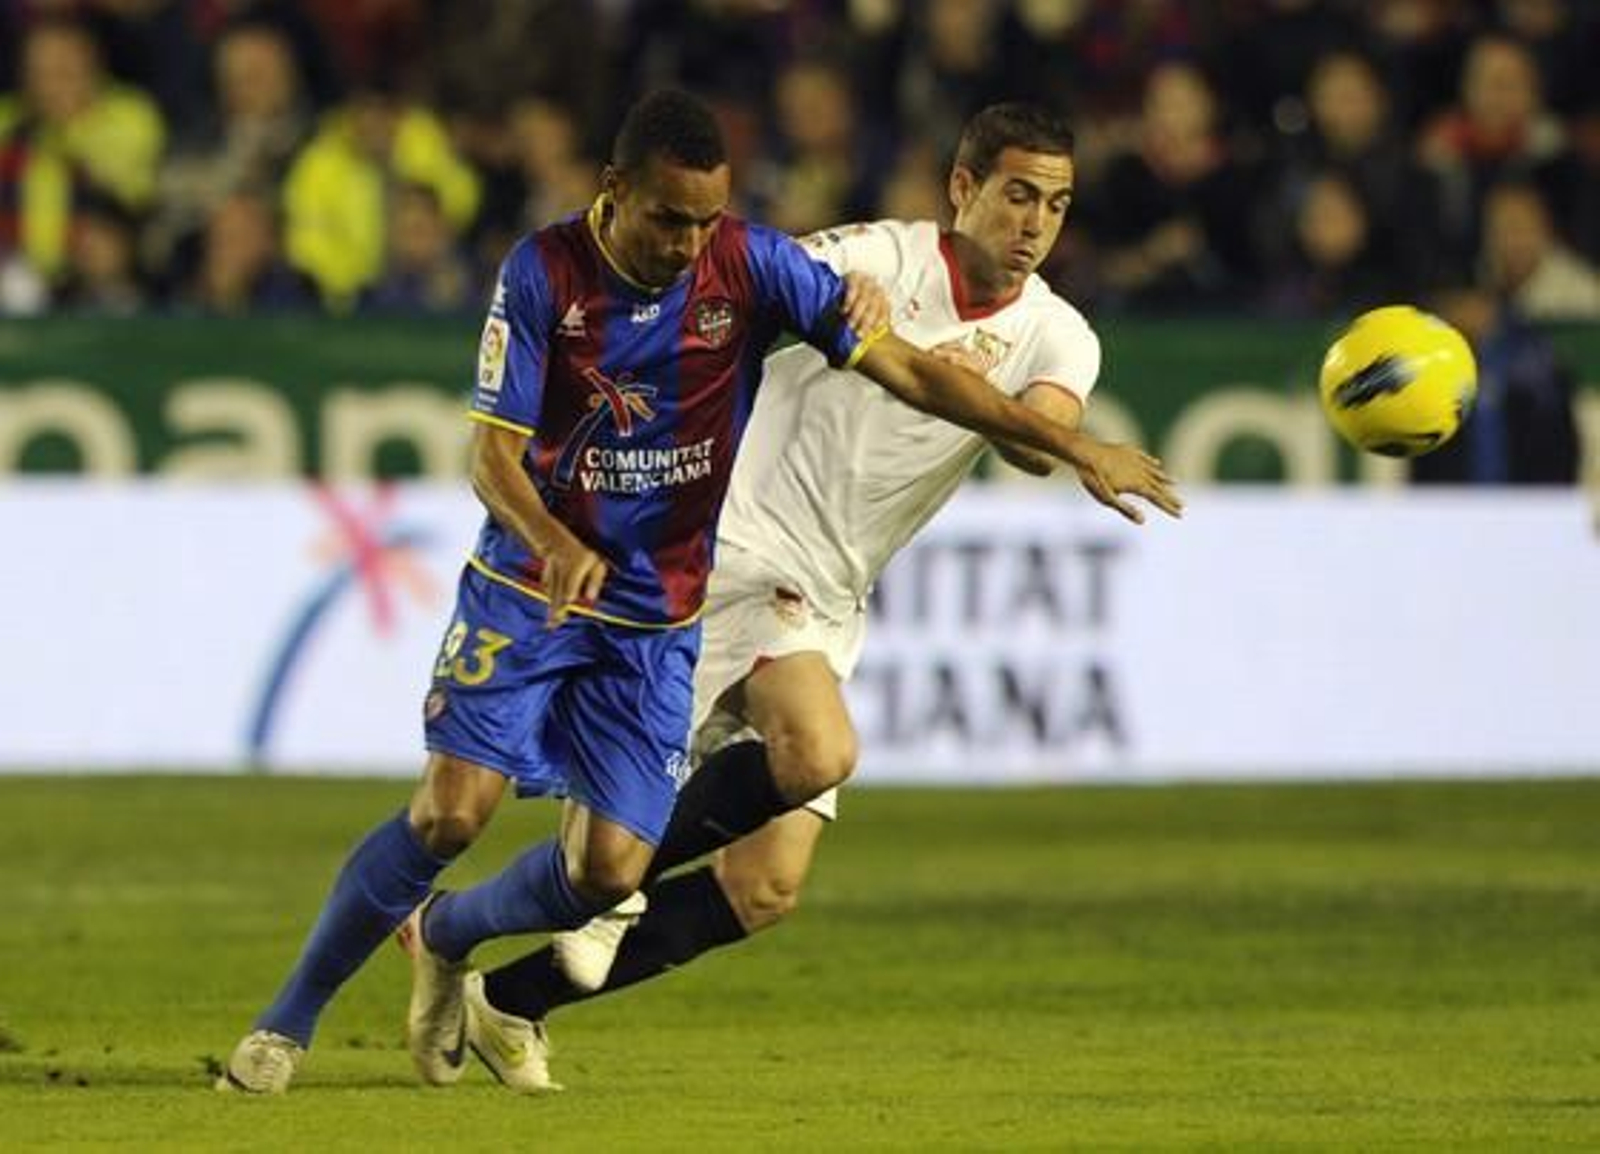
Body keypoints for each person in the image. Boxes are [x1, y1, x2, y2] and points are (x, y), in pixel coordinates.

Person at [217, 90, 1179, 1095]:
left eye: (1056, 205)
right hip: (724, 555)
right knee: (527, 805)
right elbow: (760, 288)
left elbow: (1019, 435)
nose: (1034, 222)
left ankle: (497, 975)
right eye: (1017, 195)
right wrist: (843, 297)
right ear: (962, 186)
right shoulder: (868, 257)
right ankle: (301, 1015)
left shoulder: (1054, 331)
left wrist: (1074, 445)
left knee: (760, 886)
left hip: (798, 594)